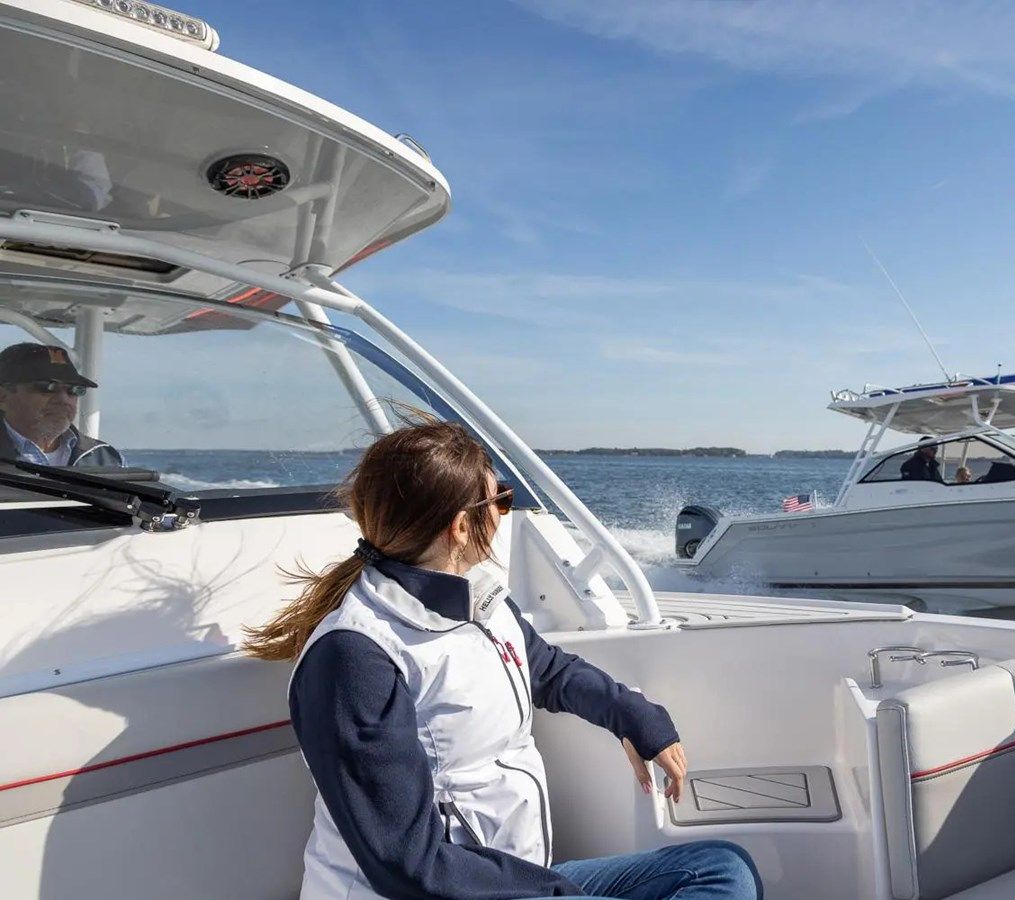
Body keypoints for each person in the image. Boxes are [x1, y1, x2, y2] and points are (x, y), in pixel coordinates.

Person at [244, 420, 761, 900]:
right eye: (501, 501)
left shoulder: (477, 601)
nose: (503, 513)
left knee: (720, 869)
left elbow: (546, 669)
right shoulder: (355, 658)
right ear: (460, 527)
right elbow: (406, 864)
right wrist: (556, 892)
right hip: (440, 891)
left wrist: (632, 714)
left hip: (513, 877)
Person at [0, 342, 122, 467]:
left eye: (74, 389)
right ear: (3, 397)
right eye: (47, 387)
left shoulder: (107, 459)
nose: (63, 400)